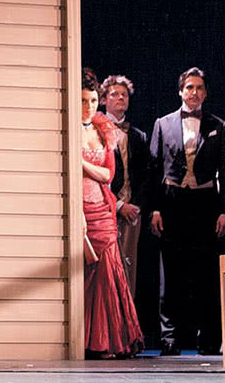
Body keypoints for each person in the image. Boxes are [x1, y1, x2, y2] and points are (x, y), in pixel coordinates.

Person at [146, 67, 225, 355]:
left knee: (206, 273)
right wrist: (155, 208)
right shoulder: (163, 123)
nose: (194, 92)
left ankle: (208, 338)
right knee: (171, 273)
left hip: (205, 202)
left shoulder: (218, 125)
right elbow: (154, 169)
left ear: (205, 93)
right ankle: (170, 338)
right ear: (180, 91)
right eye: (189, 88)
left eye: (199, 88)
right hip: (172, 201)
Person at [81, 74, 145, 359]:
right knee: (86, 276)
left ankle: (111, 341)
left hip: (102, 207)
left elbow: (108, 174)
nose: (89, 107)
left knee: (109, 273)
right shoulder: (69, 130)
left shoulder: (101, 129)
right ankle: (87, 341)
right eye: (83, 101)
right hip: (80, 208)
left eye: (93, 100)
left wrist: (81, 163)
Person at [100, 74, 147, 299]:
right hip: (105, 208)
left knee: (129, 267)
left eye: (124, 95)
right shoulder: (95, 131)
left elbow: (145, 174)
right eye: (114, 94)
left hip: (132, 212)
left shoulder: (138, 135)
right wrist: (119, 205)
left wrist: (135, 205)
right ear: (104, 100)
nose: (120, 98)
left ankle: (127, 318)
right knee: (107, 267)